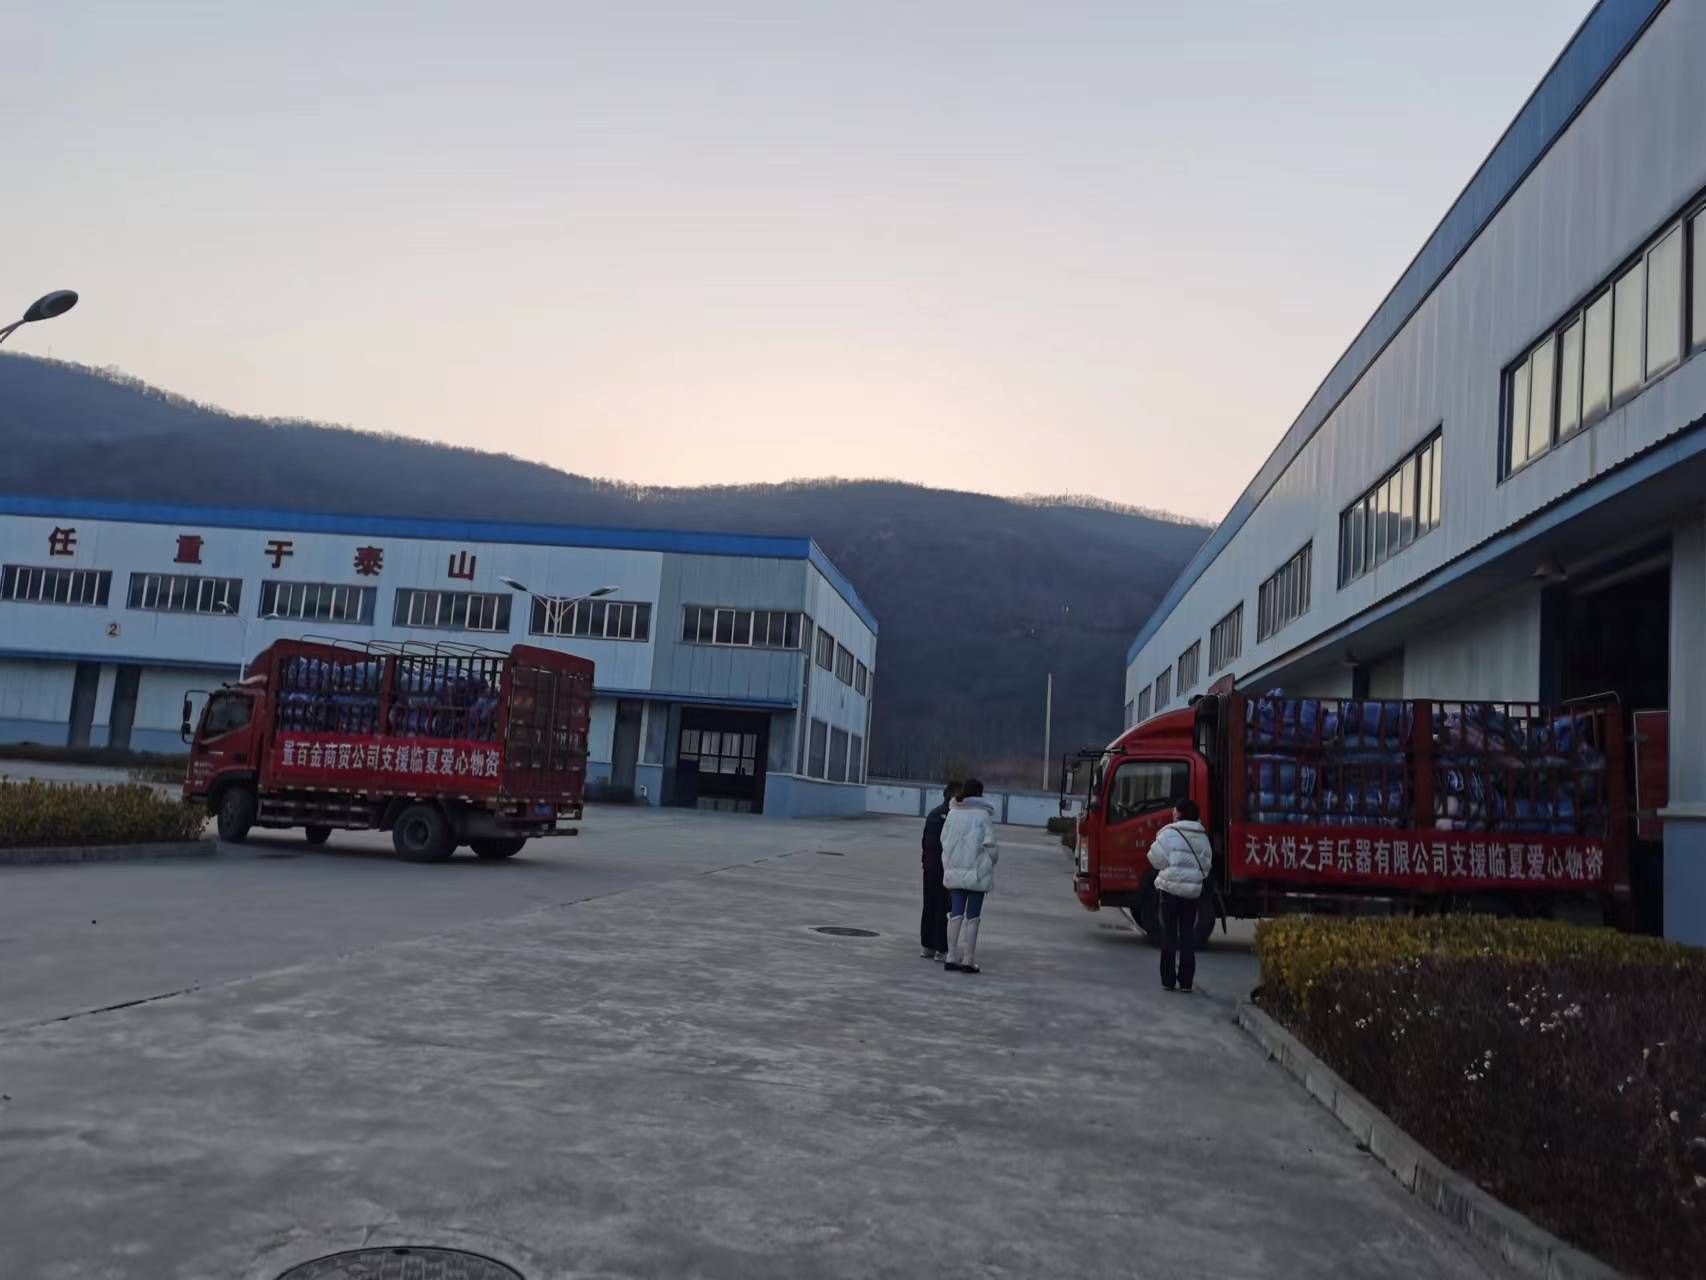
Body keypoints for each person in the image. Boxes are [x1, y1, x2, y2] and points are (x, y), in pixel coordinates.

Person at [1147, 798, 1213, 993]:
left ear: (1180, 813)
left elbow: (1154, 858)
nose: (1173, 813)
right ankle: (1186, 982)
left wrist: (1170, 866)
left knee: (1169, 935)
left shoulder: (1169, 833)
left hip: (1169, 891)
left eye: (1175, 811)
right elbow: (1207, 865)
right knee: (1187, 937)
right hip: (1191, 894)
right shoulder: (1203, 837)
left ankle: (1168, 980)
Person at [940, 778, 999, 974]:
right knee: (973, 916)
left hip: (956, 870)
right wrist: (989, 862)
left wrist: (949, 861)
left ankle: (951, 956)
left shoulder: (953, 813)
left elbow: (944, 840)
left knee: (955, 914)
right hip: (977, 872)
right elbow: (991, 846)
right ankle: (968, 960)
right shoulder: (983, 815)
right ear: (980, 793)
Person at [920, 780, 962, 959]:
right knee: (944, 908)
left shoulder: (933, 814)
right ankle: (941, 949)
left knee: (929, 906)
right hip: (945, 869)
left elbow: (925, 842)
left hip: (929, 868)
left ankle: (927, 946)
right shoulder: (954, 816)